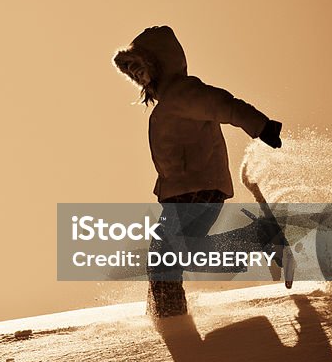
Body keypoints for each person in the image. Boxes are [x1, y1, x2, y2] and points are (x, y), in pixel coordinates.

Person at [113, 25, 282, 317]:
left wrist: (261, 126)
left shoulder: (183, 92)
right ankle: (167, 314)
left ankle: (170, 318)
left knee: (168, 254)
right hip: (183, 192)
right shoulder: (167, 104)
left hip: (197, 188)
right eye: (132, 71)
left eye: (140, 66)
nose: (138, 75)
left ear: (158, 63)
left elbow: (223, 105)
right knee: (173, 254)